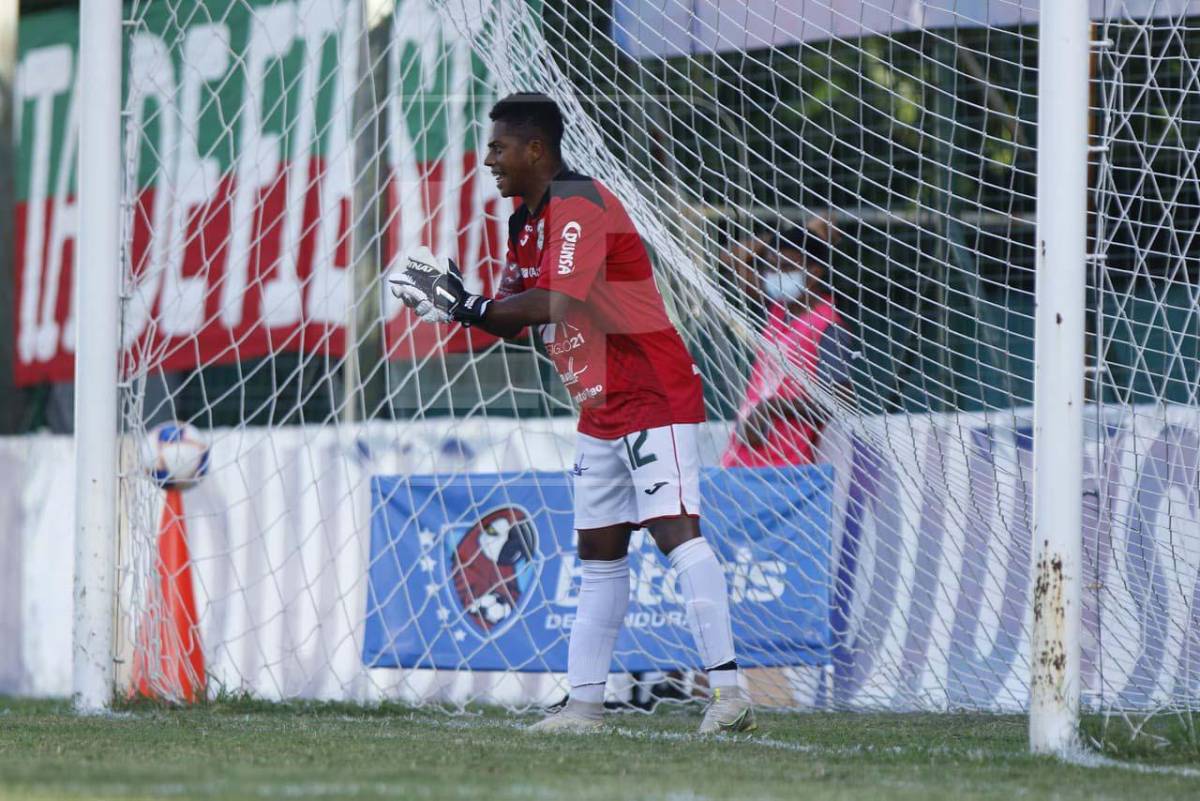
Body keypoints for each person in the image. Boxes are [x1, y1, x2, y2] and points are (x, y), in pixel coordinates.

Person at [390, 92, 754, 735]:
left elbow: (555, 301)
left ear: (536, 149)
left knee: (674, 531)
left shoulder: (580, 203)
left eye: (500, 148)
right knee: (599, 554)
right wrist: (458, 305)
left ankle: (728, 696)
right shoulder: (522, 224)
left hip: (650, 392)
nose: (491, 161)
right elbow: (510, 315)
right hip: (597, 409)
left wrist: (467, 306)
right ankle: (584, 708)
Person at [722, 225, 854, 468]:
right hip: (743, 459)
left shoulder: (828, 327)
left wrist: (772, 408)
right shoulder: (778, 310)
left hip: (785, 470)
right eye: (772, 267)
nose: (775, 275)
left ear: (814, 273)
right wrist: (779, 236)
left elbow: (840, 401)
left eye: (786, 268)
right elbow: (731, 259)